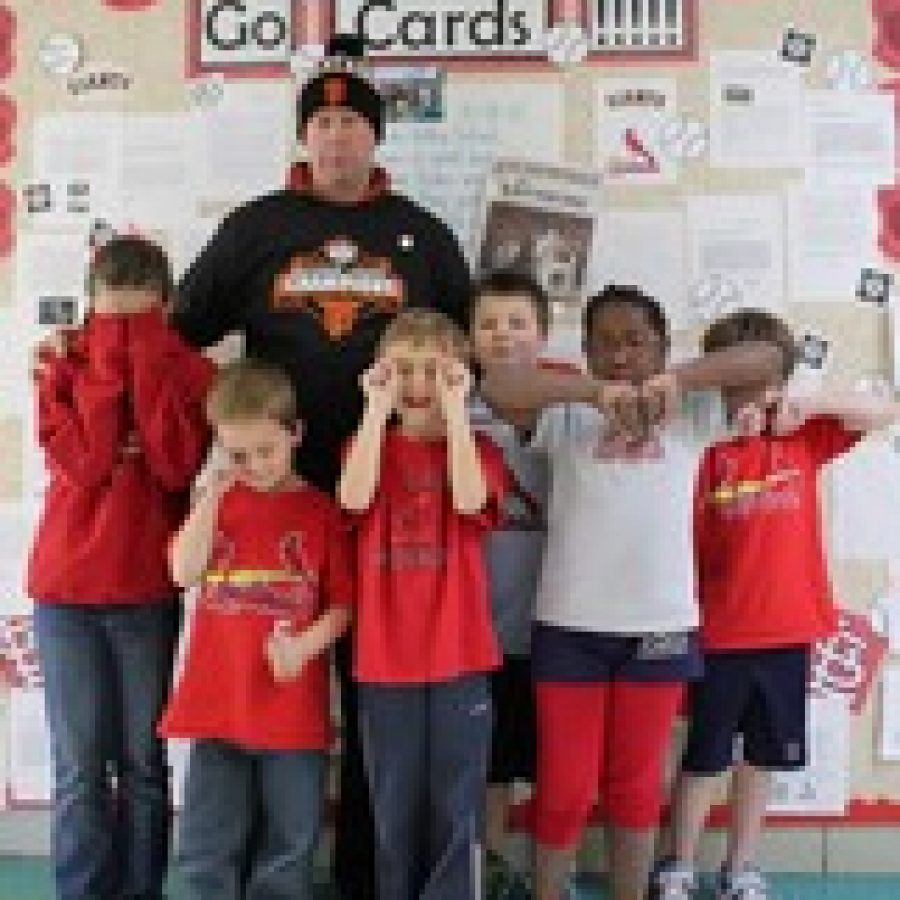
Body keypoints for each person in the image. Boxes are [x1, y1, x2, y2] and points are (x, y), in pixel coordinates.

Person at [171, 36, 471, 899]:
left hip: (391, 501)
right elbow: (183, 337)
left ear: (377, 138)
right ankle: (251, 873)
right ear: (307, 136)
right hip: (283, 495)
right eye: (325, 121)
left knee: (370, 693)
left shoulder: (420, 234)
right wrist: (223, 439)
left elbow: (465, 346)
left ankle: (366, 879)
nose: (338, 136)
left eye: (352, 122)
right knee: (271, 688)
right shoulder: (257, 227)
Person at [480, 285, 782, 900]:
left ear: (662, 347)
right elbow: (498, 384)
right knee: (563, 787)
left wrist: (680, 378)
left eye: (636, 341)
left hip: (661, 628)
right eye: (604, 342)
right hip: (569, 627)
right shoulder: (566, 415)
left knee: (635, 787)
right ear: (585, 350)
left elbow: (769, 360)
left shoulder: (695, 413)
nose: (620, 355)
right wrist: (594, 393)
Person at [654, 310, 899, 900]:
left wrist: (802, 405)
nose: (747, 398)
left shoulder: (803, 436)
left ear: (780, 379)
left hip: (788, 634)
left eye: (759, 380)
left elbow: (882, 410)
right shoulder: (702, 448)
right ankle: (677, 867)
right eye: (733, 383)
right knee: (703, 760)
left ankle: (740, 869)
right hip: (716, 635)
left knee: (760, 761)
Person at [26, 235, 213, 900]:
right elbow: (89, 462)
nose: (124, 336)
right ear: (89, 309)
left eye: (140, 323)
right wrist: (110, 361)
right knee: (78, 768)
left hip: (144, 591)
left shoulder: (192, 374)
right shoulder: (64, 369)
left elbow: (172, 465)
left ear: (165, 308)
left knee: (142, 765)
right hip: (66, 591)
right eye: (111, 322)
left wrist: (150, 363)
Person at [159, 360, 354, 900]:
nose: (255, 465)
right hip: (217, 707)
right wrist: (214, 496)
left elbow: (342, 606)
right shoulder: (217, 503)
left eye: (266, 451)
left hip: (292, 714)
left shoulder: (320, 512)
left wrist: (305, 647)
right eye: (238, 454)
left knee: (289, 848)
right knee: (206, 847)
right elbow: (181, 572)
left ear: (296, 434)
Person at [339, 309, 510, 899]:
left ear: (458, 377)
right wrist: (375, 410)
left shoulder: (480, 451)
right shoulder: (365, 447)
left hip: (459, 660)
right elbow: (353, 496)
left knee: (455, 808)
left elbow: (469, 501)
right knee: (393, 809)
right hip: (386, 665)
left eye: (432, 372)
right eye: (403, 370)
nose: (416, 384)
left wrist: (458, 411)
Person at [467, 271, 559, 899]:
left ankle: (553, 870)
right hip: (477, 630)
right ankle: (491, 866)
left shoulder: (570, 405)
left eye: (517, 323)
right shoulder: (453, 410)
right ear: (470, 338)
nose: (503, 336)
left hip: (558, 626)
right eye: (489, 325)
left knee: (559, 763)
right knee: (490, 764)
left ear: (543, 334)